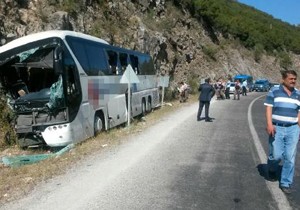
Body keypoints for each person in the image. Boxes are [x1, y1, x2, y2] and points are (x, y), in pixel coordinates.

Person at [264, 70, 300, 194]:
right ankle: (272, 167)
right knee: (276, 154)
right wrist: (269, 124)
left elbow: (299, 113)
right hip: (277, 127)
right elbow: (269, 108)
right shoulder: (274, 91)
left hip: (293, 128)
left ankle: (285, 182)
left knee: (290, 157)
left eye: (295, 79)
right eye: (291, 79)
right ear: (283, 79)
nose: (293, 81)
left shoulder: (298, 94)